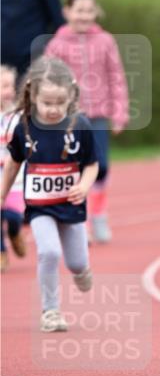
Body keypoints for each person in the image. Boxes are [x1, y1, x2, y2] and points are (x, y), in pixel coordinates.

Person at [0, 56, 98, 331]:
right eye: (47, 103)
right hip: (40, 206)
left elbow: (92, 164)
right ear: (33, 97)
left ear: (71, 96)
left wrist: (84, 186)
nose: (53, 109)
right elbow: (13, 163)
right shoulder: (24, 127)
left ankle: (81, 270)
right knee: (49, 252)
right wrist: (2, 193)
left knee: (77, 261)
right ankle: (51, 311)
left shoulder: (80, 125)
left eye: (60, 103)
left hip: (71, 205)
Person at [44, 0, 129, 243]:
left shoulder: (105, 41)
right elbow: (48, 80)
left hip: (98, 115)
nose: (84, 16)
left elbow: (116, 76)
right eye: (79, 10)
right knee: (75, 169)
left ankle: (99, 214)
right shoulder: (56, 45)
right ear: (67, 12)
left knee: (100, 167)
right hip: (68, 118)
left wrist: (119, 112)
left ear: (95, 13)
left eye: (89, 11)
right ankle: (80, 221)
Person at [0, 65, 27, 271]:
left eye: (11, 86)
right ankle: (1, 252)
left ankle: (15, 232)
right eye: (3, 86)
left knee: (14, 216)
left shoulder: (19, 115)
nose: (9, 90)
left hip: (15, 177)